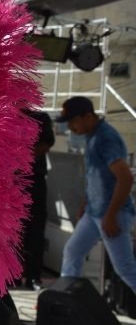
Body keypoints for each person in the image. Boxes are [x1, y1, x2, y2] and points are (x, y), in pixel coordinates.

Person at [58, 96, 136, 292]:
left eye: (73, 121)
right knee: (73, 251)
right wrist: (86, 203)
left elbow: (125, 178)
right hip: (95, 213)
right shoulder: (92, 136)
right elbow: (95, 176)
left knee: (125, 269)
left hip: (112, 214)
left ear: (87, 116)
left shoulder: (105, 138)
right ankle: (65, 300)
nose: (70, 127)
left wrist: (110, 215)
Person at [17, 109, 55, 290]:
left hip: (34, 181)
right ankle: (13, 276)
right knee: (12, 231)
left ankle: (33, 276)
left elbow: (47, 143)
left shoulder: (40, 118)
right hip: (11, 182)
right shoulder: (5, 117)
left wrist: (23, 155)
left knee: (36, 231)